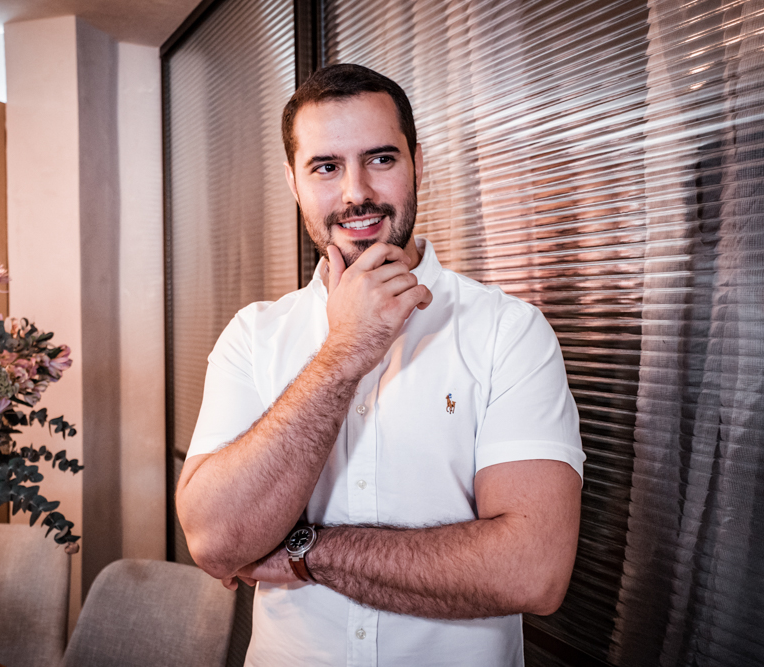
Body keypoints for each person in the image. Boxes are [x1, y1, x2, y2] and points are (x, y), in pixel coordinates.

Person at [176, 63, 585, 667]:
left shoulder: (509, 331)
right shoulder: (252, 336)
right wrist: (345, 354)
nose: (356, 192)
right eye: (325, 167)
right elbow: (214, 542)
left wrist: (306, 550)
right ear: (293, 181)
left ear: (417, 162)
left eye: (381, 158)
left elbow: (533, 571)